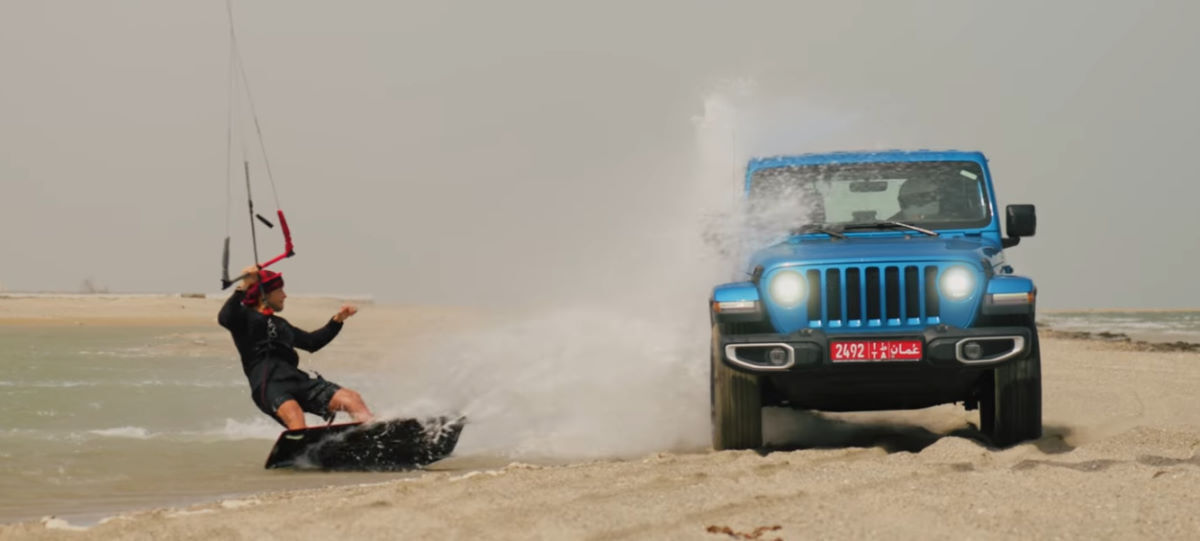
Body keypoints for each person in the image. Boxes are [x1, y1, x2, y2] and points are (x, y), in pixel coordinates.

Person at [218, 265, 374, 429]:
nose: (285, 295)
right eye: (280, 290)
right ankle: (302, 450)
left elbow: (312, 342)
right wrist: (245, 284)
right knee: (295, 415)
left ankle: (370, 433)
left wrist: (338, 320)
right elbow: (225, 318)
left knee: (351, 398)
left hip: (298, 381)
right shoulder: (244, 319)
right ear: (264, 293)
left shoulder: (282, 324)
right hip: (269, 386)